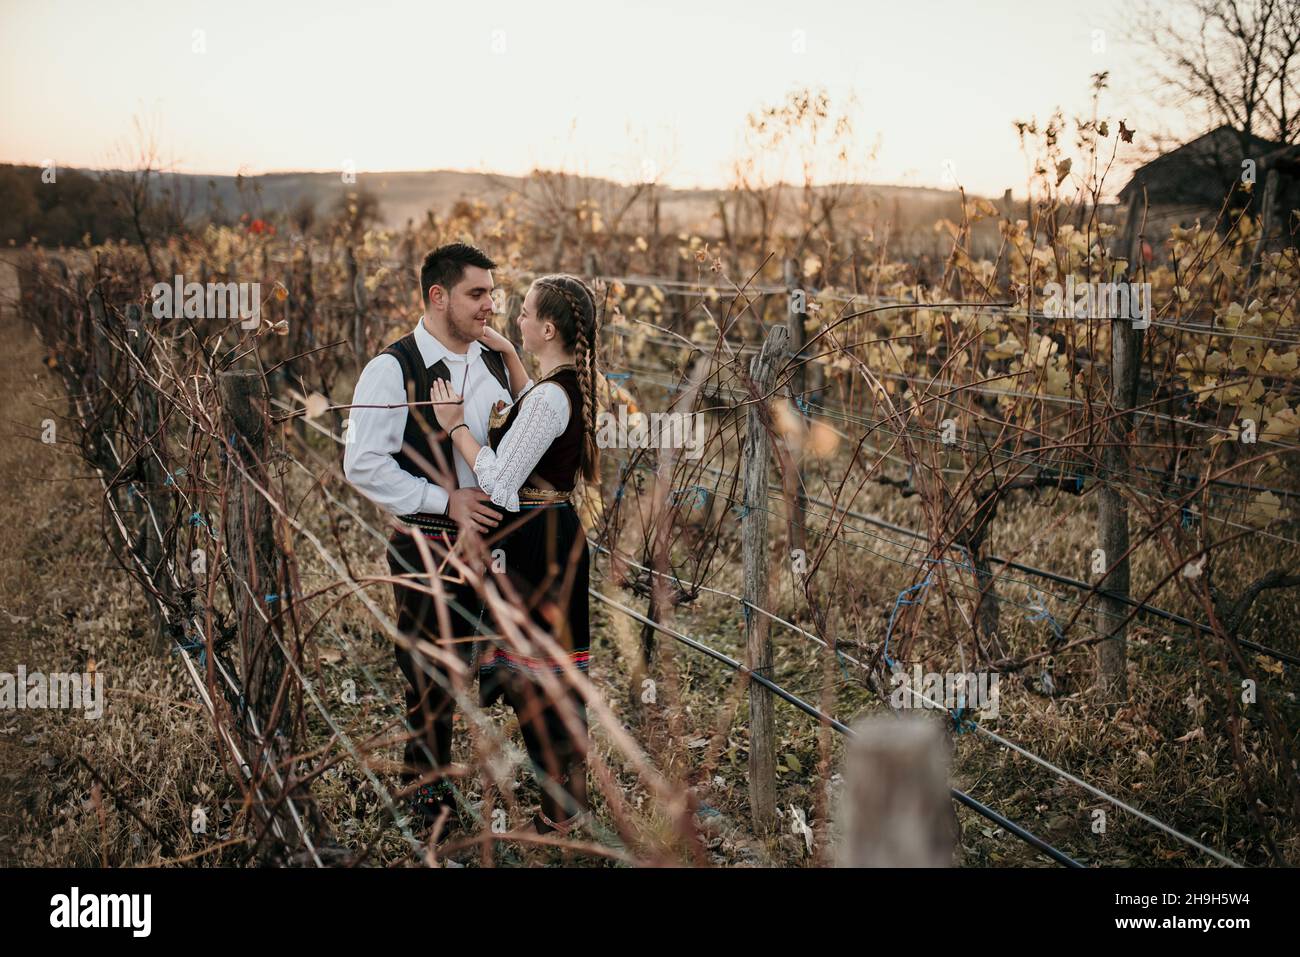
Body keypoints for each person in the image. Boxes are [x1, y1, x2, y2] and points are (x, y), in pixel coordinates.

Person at [343, 242, 528, 829]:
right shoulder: (392, 368)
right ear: (437, 296)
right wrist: (443, 499)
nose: (489, 306)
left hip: (501, 546)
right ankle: (429, 799)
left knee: (512, 669)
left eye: (492, 294)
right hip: (427, 545)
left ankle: (540, 794)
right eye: (477, 294)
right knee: (430, 677)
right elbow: (364, 462)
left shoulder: (494, 360)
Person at [431, 273, 599, 835]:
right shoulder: (557, 385)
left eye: (523, 313)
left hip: (539, 548)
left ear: (547, 327)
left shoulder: (552, 398)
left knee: (540, 678)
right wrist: (506, 351)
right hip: (544, 539)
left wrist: (456, 428)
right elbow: (534, 413)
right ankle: (564, 802)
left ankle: (563, 810)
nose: (515, 320)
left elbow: (502, 482)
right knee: (542, 671)